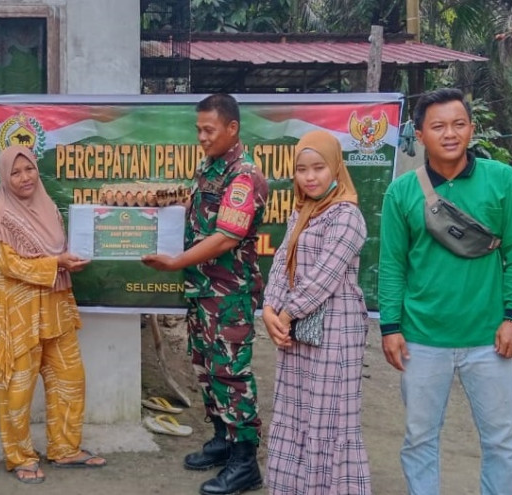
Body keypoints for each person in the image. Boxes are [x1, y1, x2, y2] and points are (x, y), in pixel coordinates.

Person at [379, 88, 512, 495]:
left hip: (490, 340)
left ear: (471, 128)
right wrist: (390, 328)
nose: (451, 134)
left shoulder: (502, 181)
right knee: (419, 441)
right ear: (419, 133)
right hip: (421, 339)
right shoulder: (401, 193)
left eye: (459, 124)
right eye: (439, 126)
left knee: (501, 443)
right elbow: (393, 264)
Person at [142, 93, 269, 495]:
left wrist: (175, 262)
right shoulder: (210, 167)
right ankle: (222, 439)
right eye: (198, 129)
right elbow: (200, 216)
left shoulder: (243, 176)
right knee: (206, 368)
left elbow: (226, 237)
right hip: (203, 290)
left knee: (230, 373)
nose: (201, 136)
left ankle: (245, 460)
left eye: (208, 130)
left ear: (232, 129)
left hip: (228, 293)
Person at [0, 145, 106, 485]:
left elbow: (57, 252)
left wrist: (69, 261)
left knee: (70, 379)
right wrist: (58, 263)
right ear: (5, 178)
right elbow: (11, 265)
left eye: (29, 170)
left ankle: (65, 449)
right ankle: (20, 456)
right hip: (19, 314)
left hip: (56, 307)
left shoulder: (49, 206)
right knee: (17, 389)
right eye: (15, 173)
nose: (24, 178)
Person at [262, 130, 371, 494]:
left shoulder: (347, 216)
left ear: (336, 169)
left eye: (319, 168)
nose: (310, 177)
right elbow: (281, 261)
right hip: (297, 331)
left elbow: (324, 276)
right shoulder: (301, 212)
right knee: (295, 414)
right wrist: (269, 309)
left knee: (328, 419)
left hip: (335, 333)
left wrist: (287, 314)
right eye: (302, 169)